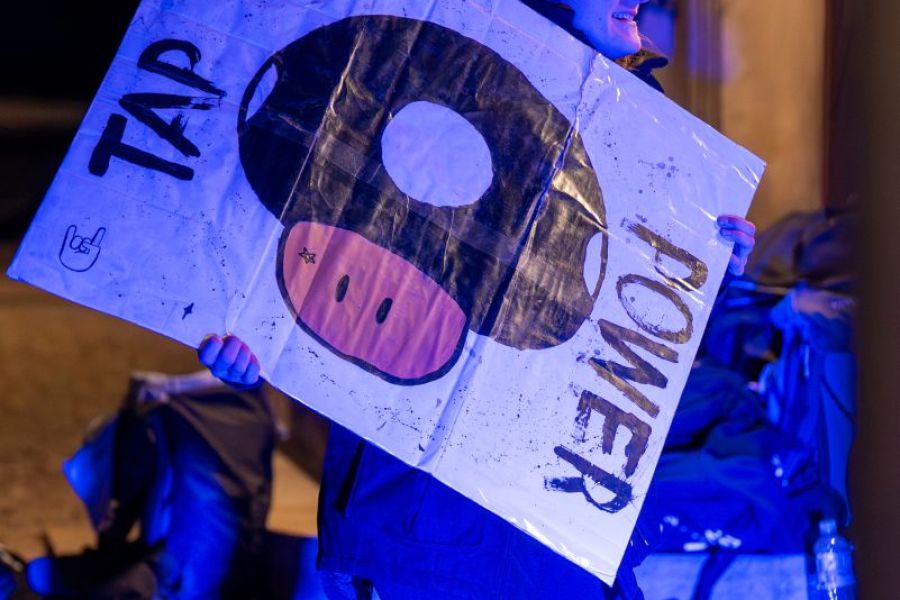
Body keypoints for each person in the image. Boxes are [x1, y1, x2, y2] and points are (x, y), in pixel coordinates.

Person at [199, 1, 757, 598]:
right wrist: (260, 340)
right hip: (426, 524)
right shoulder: (427, 65)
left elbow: (629, 334)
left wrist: (704, 276)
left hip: (561, 520)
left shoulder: (642, 119)